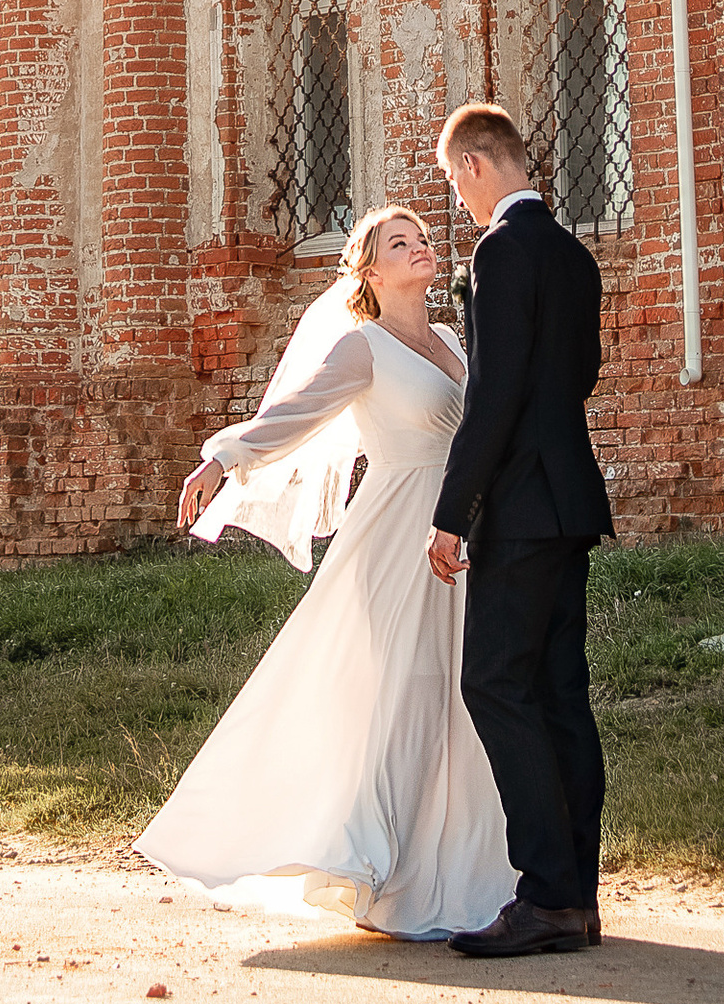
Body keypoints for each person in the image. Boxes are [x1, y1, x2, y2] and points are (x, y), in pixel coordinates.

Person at [136, 206, 517, 941]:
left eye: (423, 239)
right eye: (398, 244)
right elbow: (296, 413)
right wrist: (224, 458)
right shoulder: (361, 346)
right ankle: (377, 868)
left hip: (460, 528)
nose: (419, 249)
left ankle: (463, 868)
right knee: (404, 692)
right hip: (396, 533)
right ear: (370, 272)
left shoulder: (446, 338)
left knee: (463, 697)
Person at [428, 100, 611, 959]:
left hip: (523, 507)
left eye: (452, 183)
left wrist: (452, 515)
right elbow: (580, 376)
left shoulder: (500, 252)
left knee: (495, 685)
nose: (458, 204)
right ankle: (578, 894)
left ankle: (543, 895)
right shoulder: (574, 255)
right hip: (571, 498)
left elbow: (491, 400)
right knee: (561, 696)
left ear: (473, 167)